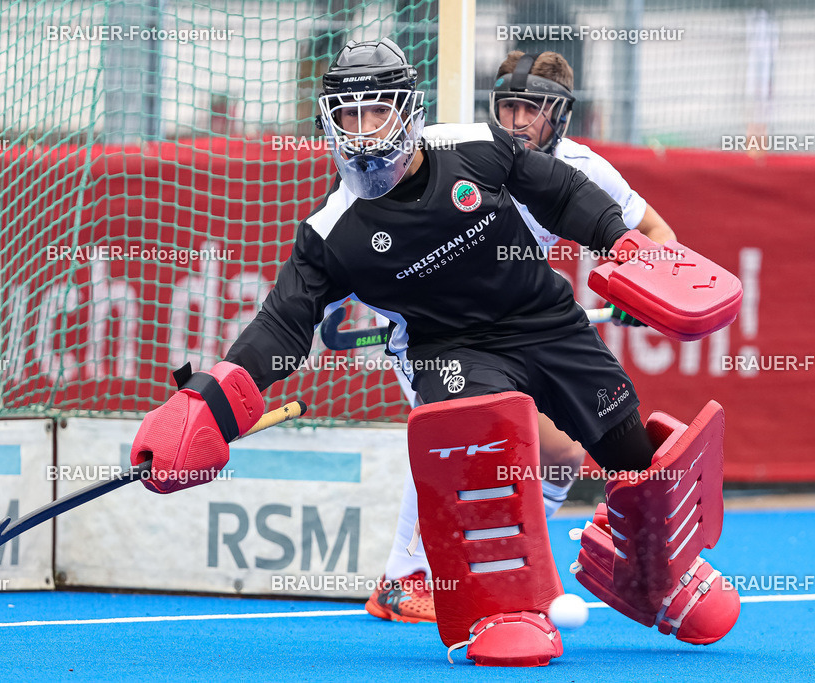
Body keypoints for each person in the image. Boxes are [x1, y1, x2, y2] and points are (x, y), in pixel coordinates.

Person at [128, 38, 738, 667]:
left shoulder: (474, 145)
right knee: (481, 454)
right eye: (348, 115)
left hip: (545, 321)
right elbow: (284, 326)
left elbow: (557, 191)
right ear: (328, 121)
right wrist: (209, 403)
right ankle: (497, 607)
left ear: (408, 111)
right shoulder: (332, 232)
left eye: (377, 111)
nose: (363, 131)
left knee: (627, 446)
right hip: (451, 350)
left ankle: (655, 568)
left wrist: (619, 242)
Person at [365, 50, 679, 625]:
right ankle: (399, 578)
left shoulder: (585, 168)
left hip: (513, 331)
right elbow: (370, 222)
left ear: (558, 116)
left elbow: (657, 233)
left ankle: (521, 555)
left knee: (561, 452)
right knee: (468, 433)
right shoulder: (462, 154)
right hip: (436, 337)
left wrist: (644, 289)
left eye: (531, 109)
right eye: (508, 105)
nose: (516, 120)